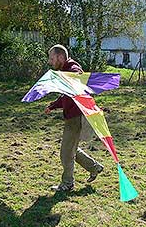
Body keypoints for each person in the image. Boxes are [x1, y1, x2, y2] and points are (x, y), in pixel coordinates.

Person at [44, 44, 103, 191]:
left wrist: (73, 79)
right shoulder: (64, 70)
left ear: (61, 57)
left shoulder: (72, 68)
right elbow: (66, 95)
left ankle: (67, 183)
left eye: (52, 58)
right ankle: (94, 167)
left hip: (77, 117)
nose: (50, 62)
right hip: (71, 116)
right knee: (71, 149)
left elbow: (78, 78)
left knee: (66, 153)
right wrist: (52, 106)